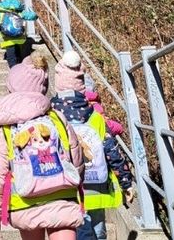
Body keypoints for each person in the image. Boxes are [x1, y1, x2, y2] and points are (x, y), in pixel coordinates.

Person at [0, 53, 85, 240]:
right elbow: (76, 159)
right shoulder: (57, 118)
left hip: (25, 200)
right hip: (62, 196)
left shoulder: (2, 128)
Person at [51, 52, 135, 240]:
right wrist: (126, 182)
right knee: (98, 227)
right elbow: (112, 150)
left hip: (70, 185)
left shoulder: (53, 118)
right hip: (98, 185)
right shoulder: (95, 117)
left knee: (81, 228)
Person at [0, 0, 38, 67]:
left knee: (11, 56)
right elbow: (32, 16)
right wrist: (33, 14)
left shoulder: (1, 12)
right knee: (20, 54)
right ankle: (21, 66)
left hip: (7, 38)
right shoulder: (20, 11)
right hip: (20, 37)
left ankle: (13, 69)